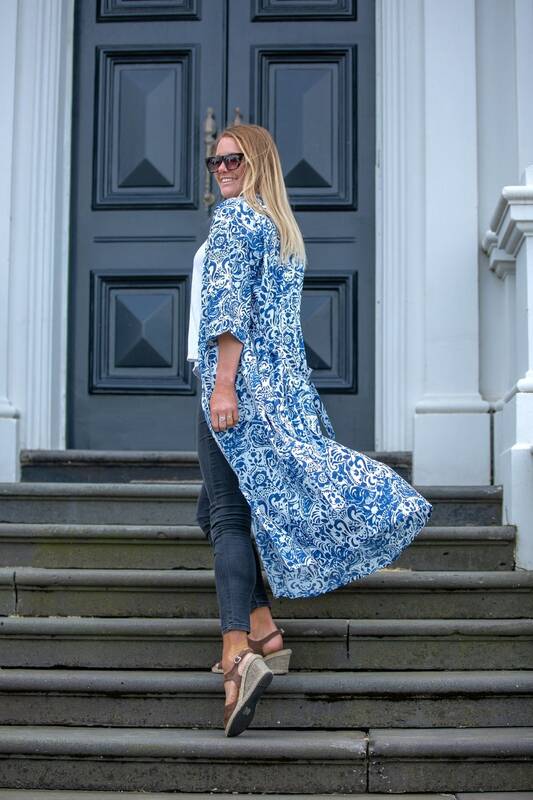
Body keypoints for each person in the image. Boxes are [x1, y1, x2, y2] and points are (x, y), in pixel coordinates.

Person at [187, 124, 433, 738]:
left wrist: (222, 386)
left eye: (234, 160)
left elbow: (228, 313)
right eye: (215, 162)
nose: (222, 170)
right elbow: (286, 333)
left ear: (258, 162)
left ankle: (236, 655)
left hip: (236, 390)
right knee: (211, 511)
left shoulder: (235, 220)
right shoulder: (282, 233)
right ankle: (264, 630)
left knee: (227, 518)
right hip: (274, 392)